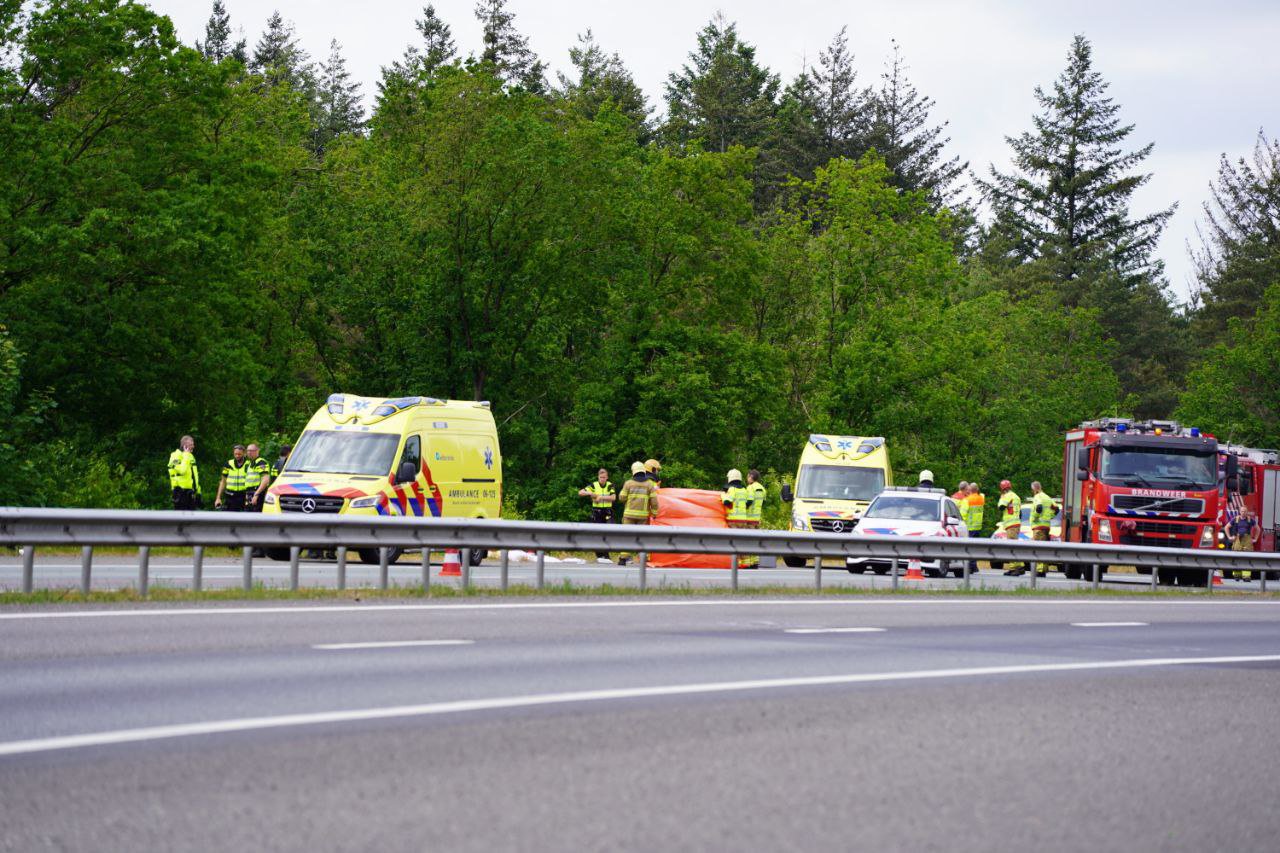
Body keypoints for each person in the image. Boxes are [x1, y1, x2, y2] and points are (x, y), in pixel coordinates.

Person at [616, 461, 659, 566]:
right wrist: (654, 513)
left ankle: (623, 559)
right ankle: (644, 558)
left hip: (629, 515)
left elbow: (622, 498)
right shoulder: (649, 484)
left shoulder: (628, 483)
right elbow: (654, 501)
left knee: (627, 536)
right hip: (642, 516)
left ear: (633, 471)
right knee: (642, 537)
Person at [578, 467, 616, 562]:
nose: (602, 479)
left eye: (604, 477)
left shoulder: (610, 485)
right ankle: (600, 556)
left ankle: (606, 555)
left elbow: (613, 497)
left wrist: (601, 497)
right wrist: (590, 493)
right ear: (598, 477)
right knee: (597, 534)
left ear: (607, 477)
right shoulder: (594, 485)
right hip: (597, 512)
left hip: (607, 512)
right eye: (600, 477)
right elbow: (580, 492)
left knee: (609, 532)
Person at [722, 469, 757, 568]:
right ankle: (745, 563)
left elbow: (727, 502)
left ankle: (736, 564)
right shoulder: (744, 490)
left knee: (734, 543)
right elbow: (748, 503)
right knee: (742, 542)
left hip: (733, 520)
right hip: (743, 520)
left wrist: (723, 495)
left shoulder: (732, 489)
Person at [1027, 481, 1058, 577]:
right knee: (1044, 548)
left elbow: (1039, 507)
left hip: (1038, 526)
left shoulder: (1037, 497)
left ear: (1034, 489)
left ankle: (1040, 570)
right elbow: (1056, 509)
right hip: (1046, 526)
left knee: (1038, 548)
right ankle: (1043, 569)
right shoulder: (1047, 497)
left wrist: (1035, 518)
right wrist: (1050, 516)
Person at [994, 479, 1023, 575]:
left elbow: (1001, 507)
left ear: (1002, 489)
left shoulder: (1007, 496)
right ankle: (1015, 567)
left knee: (1012, 547)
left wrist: (1001, 498)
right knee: (1014, 546)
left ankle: (1016, 568)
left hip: (1011, 524)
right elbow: (1020, 513)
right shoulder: (1016, 496)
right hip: (1016, 523)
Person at [167, 435, 201, 510]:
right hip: (180, 492)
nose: (193, 446)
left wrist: (198, 492)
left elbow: (194, 475)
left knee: (192, 516)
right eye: (191, 445)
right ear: (185, 446)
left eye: (193, 444)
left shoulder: (190, 456)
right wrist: (186, 455)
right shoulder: (175, 455)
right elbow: (182, 470)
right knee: (181, 516)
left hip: (190, 492)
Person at [215, 444, 252, 512]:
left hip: (244, 496)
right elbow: (223, 481)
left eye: (239, 454)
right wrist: (218, 498)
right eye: (235, 454)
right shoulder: (229, 464)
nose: (237, 456)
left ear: (244, 454)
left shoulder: (249, 464)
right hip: (230, 496)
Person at [964, 483, 985, 572]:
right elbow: (981, 494)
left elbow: (963, 514)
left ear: (970, 490)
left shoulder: (967, 500)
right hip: (978, 526)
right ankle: (974, 566)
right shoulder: (981, 498)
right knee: (974, 547)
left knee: (969, 547)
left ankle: (971, 566)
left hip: (969, 527)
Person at [245, 443, 271, 512]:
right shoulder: (251, 463)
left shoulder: (261, 462)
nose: (249, 452)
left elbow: (265, 479)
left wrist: (256, 494)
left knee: (256, 515)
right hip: (250, 492)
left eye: (251, 450)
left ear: (257, 451)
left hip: (257, 492)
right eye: (248, 451)